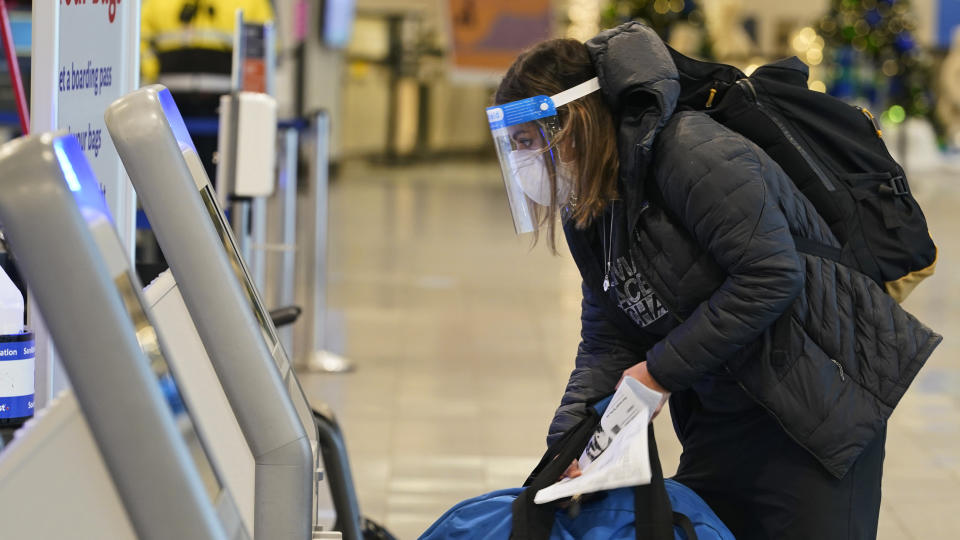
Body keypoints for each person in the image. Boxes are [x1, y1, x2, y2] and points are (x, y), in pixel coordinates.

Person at [486, 22, 940, 539]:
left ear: (573, 122)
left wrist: (657, 374)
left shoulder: (689, 150)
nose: (524, 162)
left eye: (528, 141)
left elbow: (771, 275)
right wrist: (573, 442)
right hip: (720, 414)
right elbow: (608, 335)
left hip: (816, 411)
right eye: (514, 145)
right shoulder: (588, 202)